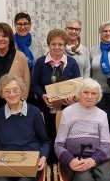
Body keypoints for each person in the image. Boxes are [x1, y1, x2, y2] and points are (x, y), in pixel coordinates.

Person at [0, 74, 50, 181]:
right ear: (1, 94)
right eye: (7, 91)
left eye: (15, 90)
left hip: (29, 160)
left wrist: (43, 157)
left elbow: (45, 141)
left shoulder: (34, 112)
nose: (12, 94)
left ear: (21, 91)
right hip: (4, 161)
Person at [31, 29, 81, 164]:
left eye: (60, 44)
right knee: (48, 135)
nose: (57, 47)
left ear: (65, 46)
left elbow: (78, 86)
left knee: (64, 136)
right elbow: (34, 84)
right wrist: (42, 96)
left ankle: (64, 162)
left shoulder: (72, 63)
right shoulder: (41, 62)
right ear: (48, 45)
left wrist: (73, 99)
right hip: (45, 109)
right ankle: (48, 162)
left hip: (66, 109)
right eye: (53, 44)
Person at [55, 78, 110, 181]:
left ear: (98, 96)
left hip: (97, 157)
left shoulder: (102, 115)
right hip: (75, 157)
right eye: (86, 92)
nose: (90, 97)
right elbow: (59, 144)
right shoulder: (68, 112)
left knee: (106, 179)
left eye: (94, 93)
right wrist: (71, 161)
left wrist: (93, 160)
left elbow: (106, 144)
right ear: (79, 94)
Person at [0, 23, 30, 126]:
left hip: (17, 109)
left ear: (10, 38)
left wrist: (20, 106)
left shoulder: (20, 57)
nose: (1, 39)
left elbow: (25, 83)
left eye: (4, 36)